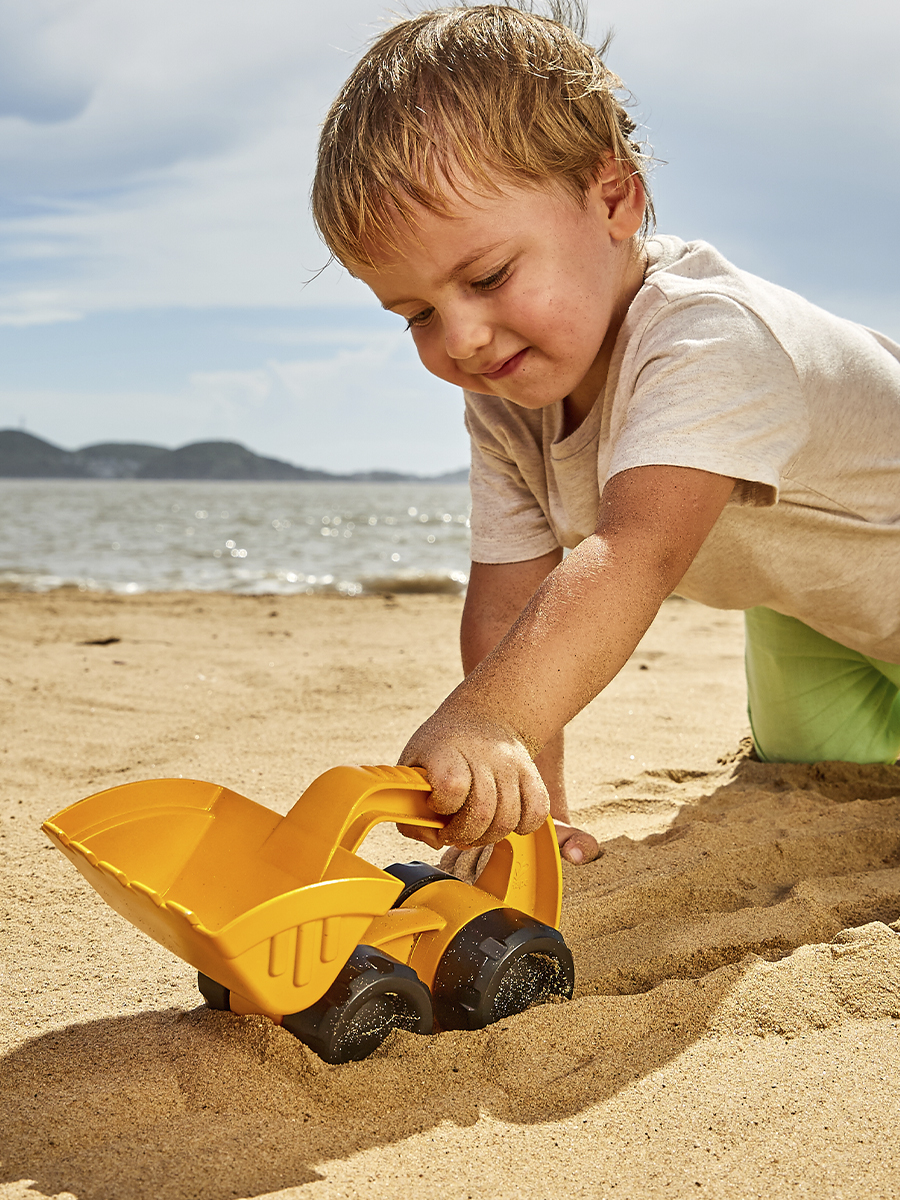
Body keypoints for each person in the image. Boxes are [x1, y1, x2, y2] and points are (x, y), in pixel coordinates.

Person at [311, 3, 900, 869]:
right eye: (417, 314)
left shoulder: (710, 336)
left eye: (488, 276)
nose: (462, 336)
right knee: (810, 773)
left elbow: (636, 554)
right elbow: (512, 599)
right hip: (814, 608)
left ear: (614, 198)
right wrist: (526, 808)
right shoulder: (511, 390)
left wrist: (490, 719)